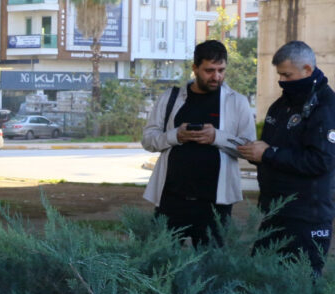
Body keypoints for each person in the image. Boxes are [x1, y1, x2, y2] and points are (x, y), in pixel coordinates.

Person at [142, 40, 256, 247]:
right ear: (195, 68)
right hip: (171, 198)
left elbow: (250, 148)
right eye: (209, 70)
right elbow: (148, 140)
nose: (216, 76)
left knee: (210, 267)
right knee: (161, 263)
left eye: (221, 70)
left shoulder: (237, 102)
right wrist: (176, 135)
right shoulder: (171, 98)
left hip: (215, 202)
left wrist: (217, 137)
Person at [238, 41, 335, 275]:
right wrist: (255, 153)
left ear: (307, 70)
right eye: (279, 74)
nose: (281, 80)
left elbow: (321, 161)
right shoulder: (282, 105)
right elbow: (275, 151)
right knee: (258, 279)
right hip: (275, 212)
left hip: (306, 217)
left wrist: (269, 154)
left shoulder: (325, 107)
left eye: (287, 75)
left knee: (299, 288)